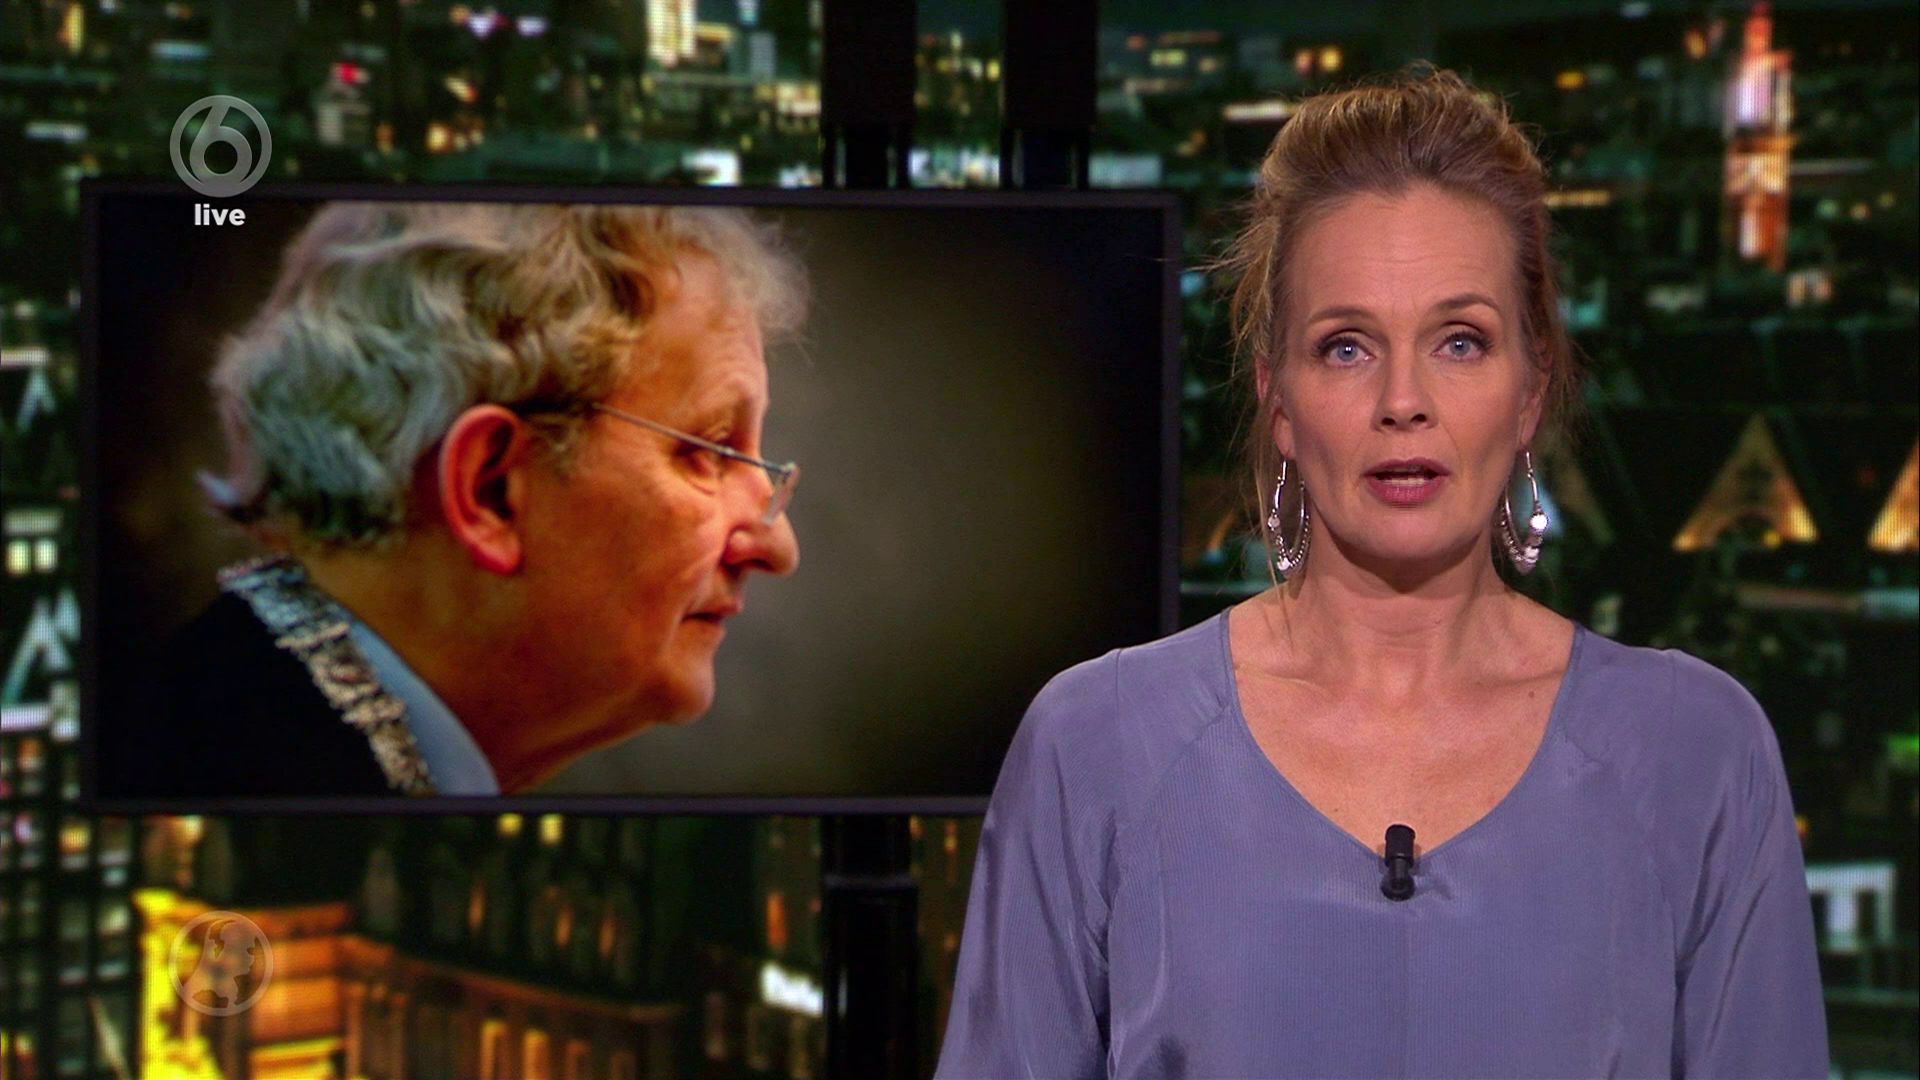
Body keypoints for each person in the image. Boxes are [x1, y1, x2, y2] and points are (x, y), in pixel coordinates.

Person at [937, 69, 1827, 1078]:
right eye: (1347, 347)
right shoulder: (1096, 747)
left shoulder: (1696, 756)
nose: (1404, 400)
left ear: (1531, 388)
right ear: (1278, 398)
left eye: (1461, 342)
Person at [101, 202, 805, 797]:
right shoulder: (230, 775)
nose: (778, 547)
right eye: (710, 449)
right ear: (490, 490)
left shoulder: (225, 714)